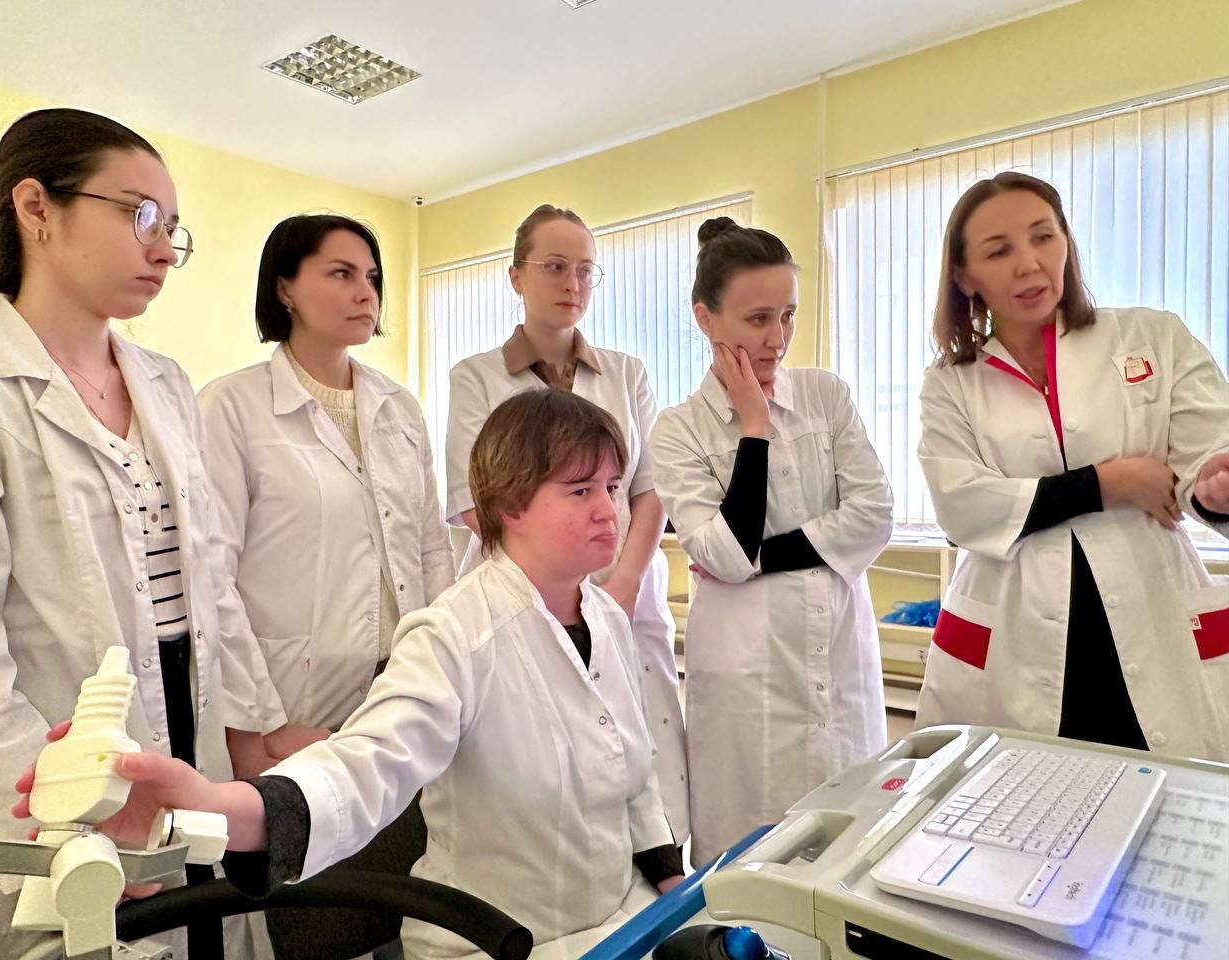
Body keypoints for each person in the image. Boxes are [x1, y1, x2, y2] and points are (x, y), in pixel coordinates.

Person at [16, 389, 685, 960]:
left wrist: (667, 875)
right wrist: (218, 805)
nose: (610, 511)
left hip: (625, 921)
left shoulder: (604, 617)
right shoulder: (454, 635)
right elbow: (364, 766)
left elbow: (631, 768)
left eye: (612, 488)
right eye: (580, 491)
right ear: (511, 504)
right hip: (496, 941)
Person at [0, 107, 254, 959]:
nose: (164, 250)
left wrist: (250, 742)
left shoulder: (165, 382)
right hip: (53, 772)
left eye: (173, 229)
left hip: (188, 741)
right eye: (140, 215)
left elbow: (211, 582)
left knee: (200, 931)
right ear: (35, 208)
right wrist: (66, 814)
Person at [198, 213, 455, 954]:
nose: (365, 292)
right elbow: (212, 578)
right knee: (301, 905)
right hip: (290, 697)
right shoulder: (232, 407)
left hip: (396, 685)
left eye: (371, 276)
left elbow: (431, 550)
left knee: (398, 890)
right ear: (285, 287)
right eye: (341, 273)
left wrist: (447, 671)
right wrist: (258, 728)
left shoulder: (398, 408)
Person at [915, 171, 1229, 757]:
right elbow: (963, 506)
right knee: (1017, 798)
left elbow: (1205, 454)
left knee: (1170, 787)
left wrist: (1214, 489)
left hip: (1153, 614)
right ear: (964, 276)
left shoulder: (1153, 337)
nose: (1029, 263)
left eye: (1043, 237)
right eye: (999, 251)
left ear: (1066, 241)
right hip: (1013, 632)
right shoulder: (951, 383)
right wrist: (1111, 482)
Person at [650, 217, 893, 866]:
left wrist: (761, 559)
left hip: (837, 655)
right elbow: (723, 555)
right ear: (705, 318)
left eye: (787, 316)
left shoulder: (825, 397)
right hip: (745, 677)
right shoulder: (679, 430)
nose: (777, 339)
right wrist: (754, 429)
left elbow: (874, 515)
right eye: (758, 319)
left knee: (851, 849)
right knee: (747, 862)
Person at [444, 204, 689, 844]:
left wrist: (624, 583)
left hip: (626, 587)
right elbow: (476, 500)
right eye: (554, 267)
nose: (572, 283)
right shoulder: (476, 377)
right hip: (526, 596)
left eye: (585, 270)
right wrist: (559, 585)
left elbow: (649, 488)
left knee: (646, 758)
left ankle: (660, 872)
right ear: (516, 276)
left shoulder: (627, 373)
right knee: (544, 763)